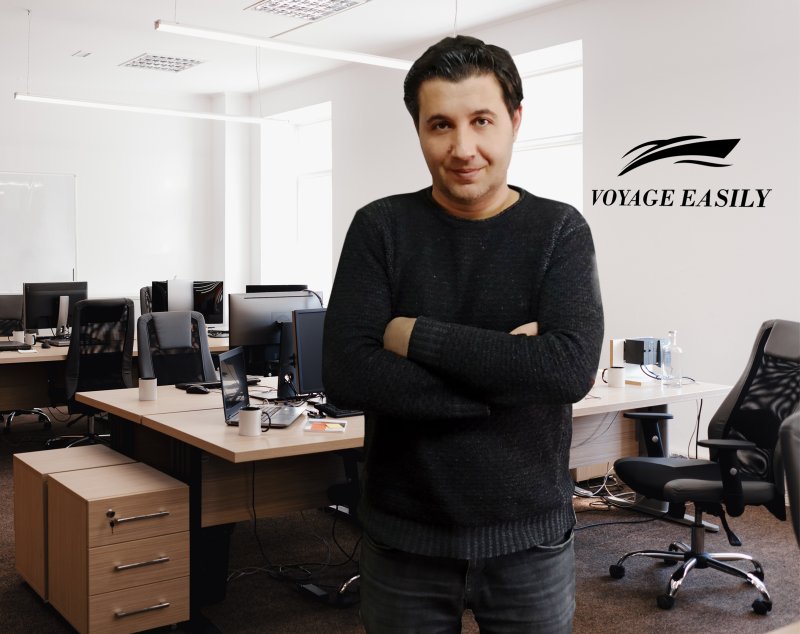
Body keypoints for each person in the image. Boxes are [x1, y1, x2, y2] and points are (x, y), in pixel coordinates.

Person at [322, 35, 604, 633]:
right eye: (440, 125)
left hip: (530, 540)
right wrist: (509, 374)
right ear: (419, 130)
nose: (463, 148)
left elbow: (568, 370)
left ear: (515, 120)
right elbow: (347, 373)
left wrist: (412, 335)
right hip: (405, 538)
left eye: (482, 121)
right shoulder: (380, 228)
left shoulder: (559, 230)